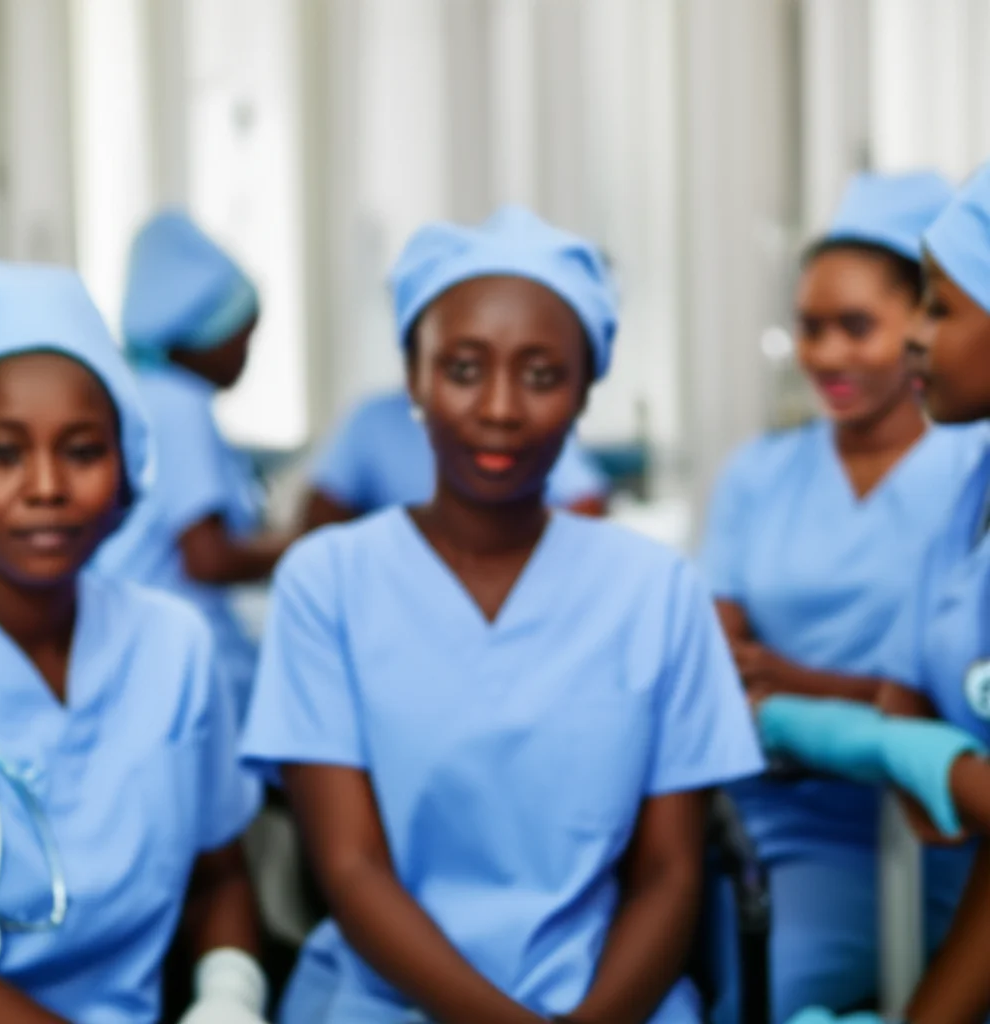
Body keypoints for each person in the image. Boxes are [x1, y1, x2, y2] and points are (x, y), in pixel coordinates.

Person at [239, 205, 764, 1024]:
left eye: (542, 374)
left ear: (587, 389)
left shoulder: (656, 591)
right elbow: (349, 867)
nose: (500, 408)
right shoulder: (328, 584)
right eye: (463, 367)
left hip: (611, 999)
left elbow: (670, 875)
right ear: (412, 377)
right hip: (387, 999)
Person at [699, 172, 982, 1022]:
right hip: (793, 814)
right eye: (809, 328)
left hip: (930, 832)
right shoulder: (768, 473)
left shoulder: (960, 469)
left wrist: (789, 688)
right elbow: (902, 697)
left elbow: (920, 717)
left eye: (859, 326)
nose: (826, 355)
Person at [0, 261, 266, 1024]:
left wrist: (229, 994)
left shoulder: (172, 648)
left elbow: (220, 874)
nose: (46, 487)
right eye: (3, 453)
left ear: (129, 466)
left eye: (82, 450)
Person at [94, 210, 294, 718]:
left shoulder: (139, 391)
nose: (245, 356)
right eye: (242, 338)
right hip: (177, 670)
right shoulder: (179, 405)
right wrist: (312, 542)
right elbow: (207, 558)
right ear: (205, 332)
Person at [299, 388, 610, 532]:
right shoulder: (373, 420)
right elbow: (318, 520)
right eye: (461, 368)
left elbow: (586, 505)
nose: (497, 413)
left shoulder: (528, 422)